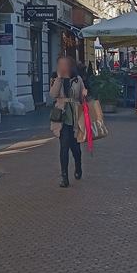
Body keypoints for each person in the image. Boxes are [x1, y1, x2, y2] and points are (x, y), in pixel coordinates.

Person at [49, 55, 87, 188]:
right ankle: (64, 177)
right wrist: (59, 78)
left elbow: (82, 96)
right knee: (64, 148)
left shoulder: (77, 79)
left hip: (75, 118)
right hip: (62, 118)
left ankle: (78, 166)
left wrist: (84, 94)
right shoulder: (55, 78)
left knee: (76, 149)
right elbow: (53, 95)